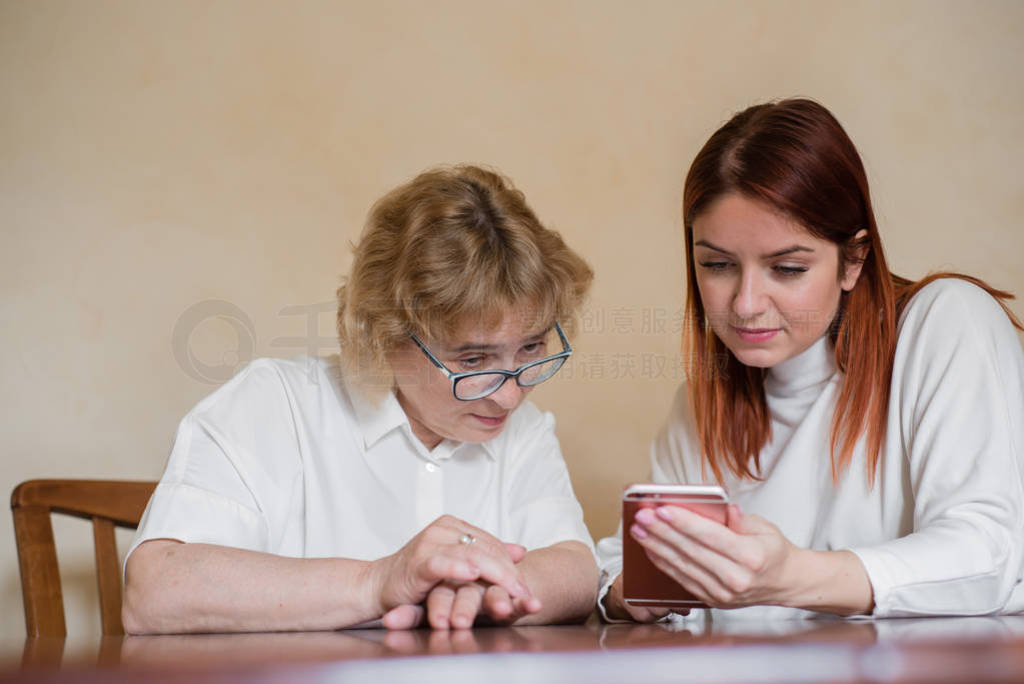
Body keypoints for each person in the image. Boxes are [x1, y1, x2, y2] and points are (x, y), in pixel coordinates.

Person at [598, 98, 1024, 622]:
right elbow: (625, 572)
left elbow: (986, 554)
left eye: (788, 268)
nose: (746, 303)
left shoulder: (944, 325)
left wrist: (790, 577)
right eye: (717, 264)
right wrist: (630, 596)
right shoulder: (701, 404)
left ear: (854, 259)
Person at [123, 165, 598, 633]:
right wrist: (378, 582)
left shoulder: (525, 430)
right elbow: (157, 589)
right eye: (473, 361)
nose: (511, 396)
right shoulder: (276, 405)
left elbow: (575, 566)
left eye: (532, 348)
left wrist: (490, 593)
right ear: (385, 335)